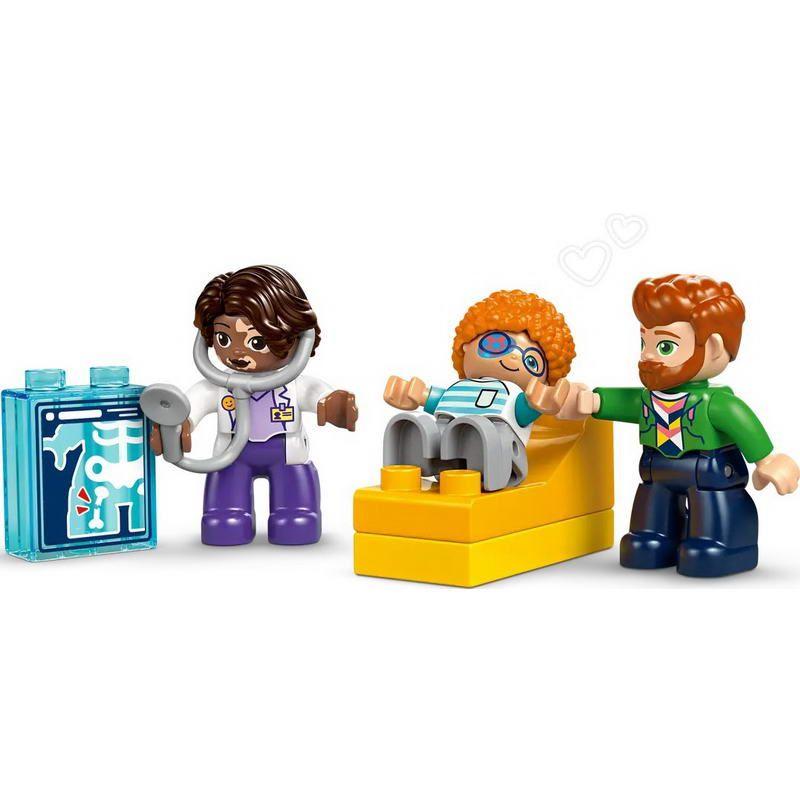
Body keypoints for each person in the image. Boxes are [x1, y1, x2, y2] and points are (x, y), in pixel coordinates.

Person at [551, 274, 799, 577]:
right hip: (656, 470)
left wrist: (768, 459)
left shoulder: (716, 403)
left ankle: (723, 544)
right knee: (651, 511)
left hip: (708, 473)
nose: (648, 355)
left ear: (714, 348)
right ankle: (654, 537)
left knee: (712, 506)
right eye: (644, 342)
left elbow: (743, 424)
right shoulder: (647, 399)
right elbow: (618, 402)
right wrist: (589, 400)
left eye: (665, 346)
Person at [151, 265, 357, 546]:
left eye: (256, 341)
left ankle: (297, 514)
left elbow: (315, 393)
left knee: (295, 512)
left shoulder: (294, 383)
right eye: (224, 339)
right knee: (224, 514)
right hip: (230, 455)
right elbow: (191, 404)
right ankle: (225, 515)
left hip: (286, 452)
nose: (237, 352)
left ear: (296, 337)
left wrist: (333, 405)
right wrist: (177, 426)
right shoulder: (218, 385)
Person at [383, 289, 574, 491]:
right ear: (466, 345)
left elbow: (525, 410)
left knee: (480, 431)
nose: (514, 357)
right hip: (448, 440)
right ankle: (413, 455)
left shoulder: (513, 395)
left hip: (498, 453)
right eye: (497, 344)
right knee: (425, 427)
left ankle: (476, 459)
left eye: (531, 361)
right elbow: (436, 401)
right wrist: (416, 394)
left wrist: (539, 404)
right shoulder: (459, 388)